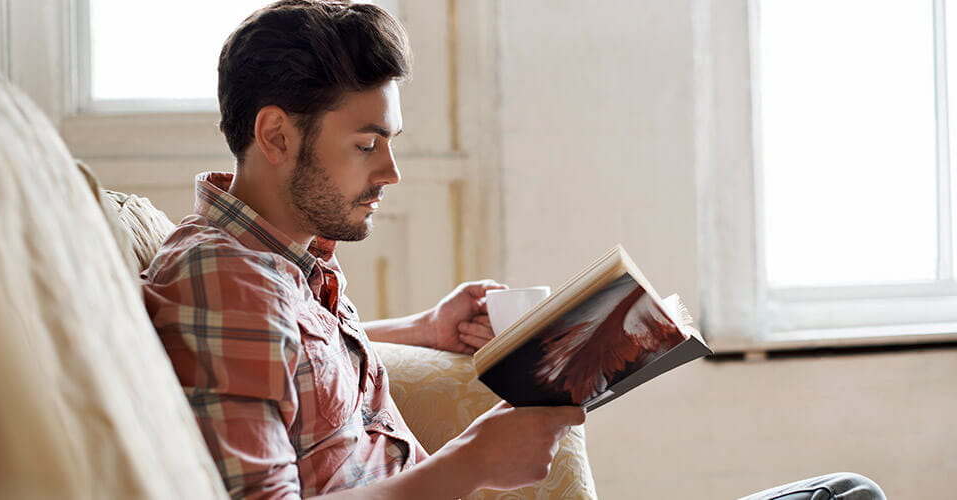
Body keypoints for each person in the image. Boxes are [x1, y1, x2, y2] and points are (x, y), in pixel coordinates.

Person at [142, 1, 886, 499]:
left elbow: (285, 359)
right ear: (275, 135)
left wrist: (419, 330)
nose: (390, 172)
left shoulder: (278, 265)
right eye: (366, 144)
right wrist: (471, 463)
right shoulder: (222, 279)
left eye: (390, 143)